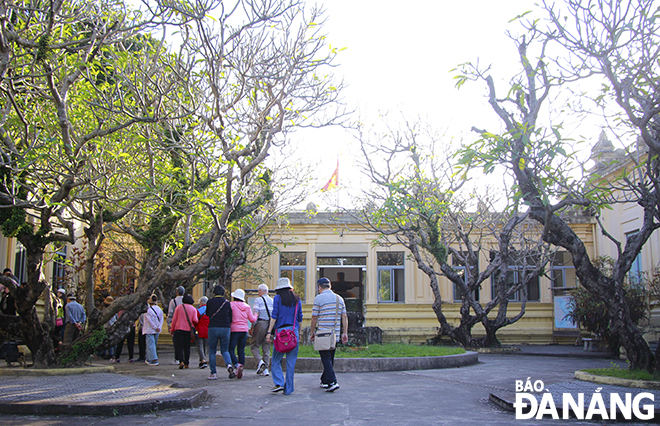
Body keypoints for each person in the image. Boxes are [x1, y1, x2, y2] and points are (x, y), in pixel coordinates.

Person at [310, 277, 348, 392]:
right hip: (334, 334)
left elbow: (314, 317)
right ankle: (325, 380)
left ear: (319, 287)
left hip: (323, 334)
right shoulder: (339, 298)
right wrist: (344, 333)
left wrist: (312, 332)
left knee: (325, 358)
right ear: (330, 286)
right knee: (330, 357)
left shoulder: (319, 298)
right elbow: (344, 317)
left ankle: (332, 381)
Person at [266, 277, 302, 395]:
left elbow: (274, 315)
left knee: (276, 359)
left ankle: (279, 383)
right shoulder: (297, 299)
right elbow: (300, 317)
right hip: (293, 331)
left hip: (280, 332)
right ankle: (289, 389)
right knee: (291, 362)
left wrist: (269, 331)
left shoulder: (277, 298)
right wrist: (299, 332)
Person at [205, 285, 233, 380]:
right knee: (225, 350)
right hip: (225, 328)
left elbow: (208, 314)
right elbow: (230, 317)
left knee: (212, 350)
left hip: (213, 327)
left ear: (214, 293)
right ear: (223, 293)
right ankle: (229, 365)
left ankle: (213, 373)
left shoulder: (210, 302)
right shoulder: (227, 303)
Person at [229, 288, 257, 379]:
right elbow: (252, 319)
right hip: (244, 330)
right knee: (241, 349)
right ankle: (241, 366)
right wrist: (256, 314)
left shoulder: (231, 305)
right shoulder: (247, 306)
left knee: (231, 349)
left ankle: (236, 365)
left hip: (234, 330)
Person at [250, 283, 273, 376]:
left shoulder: (258, 300)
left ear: (260, 291)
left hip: (261, 324)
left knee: (254, 345)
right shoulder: (272, 300)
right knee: (266, 347)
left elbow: (256, 313)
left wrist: (252, 327)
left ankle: (260, 362)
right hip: (270, 325)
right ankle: (266, 369)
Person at [170, 294, 198, 369]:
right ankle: (186, 363)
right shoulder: (193, 308)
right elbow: (195, 320)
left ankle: (181, 361)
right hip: (188, 330)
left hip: (178, 329)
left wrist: (172, 329)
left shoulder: (178, 308)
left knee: (179, 346)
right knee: (187, 347)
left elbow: (174, 319)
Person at [144, 294, 163, 366]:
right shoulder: (159, 309)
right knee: (153, 344)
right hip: (157, 329)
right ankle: (149, 357)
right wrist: (159, 327)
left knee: (150, 344)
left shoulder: (148, 310)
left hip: (150, 329)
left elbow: (149, 320)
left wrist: (155, 327)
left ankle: (153, 359)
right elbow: (161, 319)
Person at [167, 286, 185, 365]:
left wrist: (168, 324)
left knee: (176, 342)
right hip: (185, 324)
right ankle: (184, 358)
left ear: (176, 292)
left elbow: (170, 313)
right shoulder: (186, 300)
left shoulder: (173, 301)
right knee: (184, 343)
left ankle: (177, 358)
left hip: (176, 323)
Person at [196, 296, 209, 369]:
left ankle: (202, 359)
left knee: (199, 345)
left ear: (201, 302)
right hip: (208, 330)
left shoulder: (199, 310)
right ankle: (204, 358)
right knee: (205, 345)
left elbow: (195, 319)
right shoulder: (210, 310)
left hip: (200, 330)